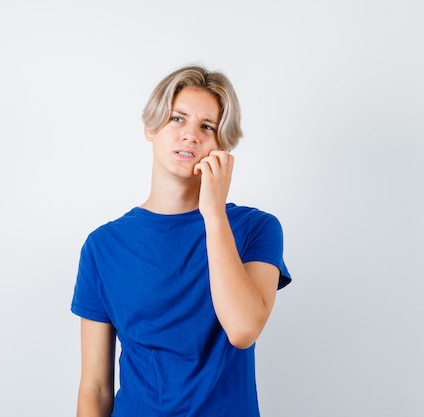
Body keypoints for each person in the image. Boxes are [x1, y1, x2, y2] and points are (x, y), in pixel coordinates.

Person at [71, 64, 292, 417]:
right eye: (177, 119)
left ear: (223, 145)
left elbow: (243, 329)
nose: (191, 135)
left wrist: (214, 214)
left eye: (207, 127)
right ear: (151, 127)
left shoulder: (256, 228)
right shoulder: (103, 246)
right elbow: (95, 387)